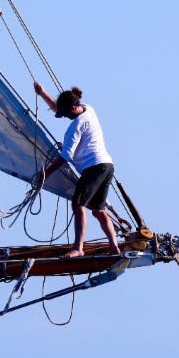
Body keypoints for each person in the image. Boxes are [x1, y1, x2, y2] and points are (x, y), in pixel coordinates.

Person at [34, 82, 121, 257]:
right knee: (98, 210)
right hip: (107, 166)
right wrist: (43, 93)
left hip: (94, 168)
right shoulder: (88, 108)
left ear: (73, 108)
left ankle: (78, 248)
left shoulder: (75, 128)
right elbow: (58, 106)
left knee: (78, 205)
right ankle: (114, 246)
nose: (64, 116)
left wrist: (45, 173)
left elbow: (65, 156)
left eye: (65, 113)